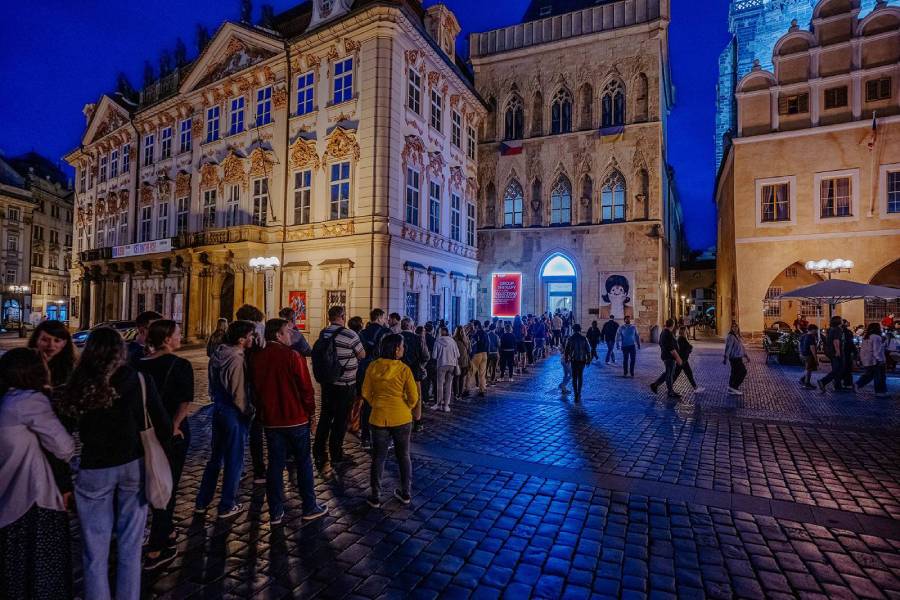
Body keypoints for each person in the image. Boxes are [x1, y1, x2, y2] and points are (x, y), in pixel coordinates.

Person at [58, 327, 171, 600]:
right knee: (130, 548)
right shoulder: (138, 379)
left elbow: (60, 438)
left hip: (93, 468)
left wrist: (64, 480)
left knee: (94, 552)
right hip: (133, 466)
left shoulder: (78, 383)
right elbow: (164, 427)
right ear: (121, 351)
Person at [0, 348, 76, 600]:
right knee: (41, 573)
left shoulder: (6, 399)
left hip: (7, 499)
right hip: (32, 499)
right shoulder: (29, 402)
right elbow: (65, 447)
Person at [251, 319, 328, 524]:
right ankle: (309, 506)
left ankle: (275, 511)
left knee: (275, 464)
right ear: (277, 335)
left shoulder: (256, 357)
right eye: (287, 332)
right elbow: (306, 390)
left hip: (271, 420)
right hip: (295, 419)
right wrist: (311, 415)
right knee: (303, 462)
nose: (291, 335)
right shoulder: (293, 356)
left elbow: (255, 389)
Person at [137, 320, 194, 570]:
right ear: (167, 339)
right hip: (172, 431)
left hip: (143, 431)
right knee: (167, 486)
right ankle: (156, 548)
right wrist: (174, 425)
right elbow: (184, 401)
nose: (180, 337)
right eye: (177, 334)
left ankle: (168, 529)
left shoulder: (138, 365)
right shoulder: (180, 364)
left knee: (151, 478)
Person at [196, 320, 256, 519]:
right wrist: (248, 410)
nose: (253, 339)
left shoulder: (218, 353)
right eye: (250, 336)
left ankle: (202, 502)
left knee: (215, 458)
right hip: (233, 412)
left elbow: (213, 385)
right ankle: (227, 504)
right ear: (241, 340)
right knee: (234, 460)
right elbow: (238, 392)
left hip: (218, 408)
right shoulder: (237, 359)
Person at [362, 334, 419, 508]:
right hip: (401, 417)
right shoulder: (404, 369)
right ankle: (406, 492)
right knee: (403, 456)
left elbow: (365, 392)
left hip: (379, 417)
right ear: (396, 349)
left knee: (378, 458)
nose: (403, 349)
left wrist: (377, 403)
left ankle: (375, 495)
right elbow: (413, 396)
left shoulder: (373, 366)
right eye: (402, 346)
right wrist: (405, 406)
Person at [313, 305, 365, 469]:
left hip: (328, 383)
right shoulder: (350, 334)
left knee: (325, 417)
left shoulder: (324, 333)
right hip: (345, 384)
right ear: (342, 316)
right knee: (341, 420)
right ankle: (336, 454)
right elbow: (362, 354)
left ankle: (319, 451)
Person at [235, 304, 267, 482]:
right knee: (256, 431)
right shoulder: (257, 336)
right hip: (252, 388)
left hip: (238, 390)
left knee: (239, 433)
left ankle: (238, 468)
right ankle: (259, 470)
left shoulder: (231, 336)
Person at [358, 309, 389, 450]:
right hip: (379, 370)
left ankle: (365, 437)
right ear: (379, 318)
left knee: (367, 404)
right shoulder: (384, 332)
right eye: (383, 317)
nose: (385, 320)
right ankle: (380, 437)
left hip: (364, 369)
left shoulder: (362, 333)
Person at [400, 319, 429, 432]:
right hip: (415, 372)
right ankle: (417, 421)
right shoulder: (418, 338)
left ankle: (403, 418)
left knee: (401, 395)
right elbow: (426, 356)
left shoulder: (396, 337)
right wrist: (421, 365)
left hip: (399, 372)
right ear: (412, 327)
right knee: (417, 397)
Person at [28, 319, 77, 387]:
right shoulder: (23, 365)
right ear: (36, 340)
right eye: (45, 340)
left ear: (64, 343)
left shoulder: (71, 368)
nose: (51, 345)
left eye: (57, 340)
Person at [651, 319, 682, 398]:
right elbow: (671, 348)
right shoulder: (667, 333)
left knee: (667, 373)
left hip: (667, 356)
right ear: (673, 325)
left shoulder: (665, 332)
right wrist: (678, 357)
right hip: (669, 357)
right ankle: (670, 392)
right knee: (669, 375)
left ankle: (655, 385)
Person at [431, 326, 460, 412]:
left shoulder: (438, 341)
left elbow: (434, 356)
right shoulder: (452, 341)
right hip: (451, 365)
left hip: (441, 364)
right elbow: (458, 355)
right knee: (448, 385)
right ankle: (446, 405)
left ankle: (439, 404)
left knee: (440, 385)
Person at [856, 322, 887, 397]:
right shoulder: (876, 337)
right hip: (875, 360)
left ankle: (858, 384)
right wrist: (880, 359)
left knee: (869, 375)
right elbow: (877, 350)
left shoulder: (866, 337)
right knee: (879, 375)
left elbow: (863, 349)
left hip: (867, 359)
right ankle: (880, 391)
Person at [563, 324, 592, 401]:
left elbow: (566, 350)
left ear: (573, 330)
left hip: (574, 360)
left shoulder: (570, 338)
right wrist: (589, 359)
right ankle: (579, 392)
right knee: (580, 376)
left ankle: (576, 393)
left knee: (574, 377)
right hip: (582, 360)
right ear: (579, 329)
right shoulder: (584, 338)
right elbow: (588, 350)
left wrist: (566, 359)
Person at [818, 316, 845, 393]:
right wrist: (838, 351)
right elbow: (836, 341)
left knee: (836, 368)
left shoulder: (831, 329)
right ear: (838, 321)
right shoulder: (837, 329)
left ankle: (837, 385)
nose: (842, 320)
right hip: (836, 352)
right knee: (838, 369)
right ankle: (823, 381)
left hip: (831, 352)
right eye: (841, 319)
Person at [673, 326, 704, 393]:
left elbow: (687, 348)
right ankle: (667, 386)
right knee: (677, 374)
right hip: (682, 360)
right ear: (684, 331)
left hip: (683, 359)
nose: (687, 332)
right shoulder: (681, 339)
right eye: (686, 330)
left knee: (687, 373)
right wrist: (689, 348)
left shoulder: (682, 338)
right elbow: (685, 349)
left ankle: (696, 388)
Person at [723, 321, 749, 395]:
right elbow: (728, 348)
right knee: (743, 372)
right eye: (733, 327)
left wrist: (746, 356)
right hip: (734, 358)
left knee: (734, 372)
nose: (735, 328)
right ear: (731, 328)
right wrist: (725, 358)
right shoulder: (731, 336)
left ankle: (731, 387)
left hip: (737, 357)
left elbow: (741, 347)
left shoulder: (736, 336)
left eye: (736, 326)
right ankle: (734, 387)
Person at [469, 321, 489, 397]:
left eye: (473, 326)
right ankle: (482, 390)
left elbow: (472, 344)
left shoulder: (476, 334)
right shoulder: (485, 333)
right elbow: (488, 344)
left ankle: (467, 389)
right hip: (485, 354)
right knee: (482, 373)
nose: (473, 327)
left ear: (476, 326)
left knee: (471, 372)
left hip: (477, 354)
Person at [798, 324, 819, 389]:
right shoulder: (811, 337)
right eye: (815, 330)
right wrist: (816, 358)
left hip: (803, 354)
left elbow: (799, 344)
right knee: (809, 369)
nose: (816, 331)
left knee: (808, 368)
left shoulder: (803, 336)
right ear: (812, 330)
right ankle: (807, 383)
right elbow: (812, 348)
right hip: (809, 355)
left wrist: (800, 353)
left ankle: (803, 379)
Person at [453, 326, 472, 396]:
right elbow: (470, 350)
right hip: (464, 361)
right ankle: (460, 393)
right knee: (462, 379)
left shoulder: (453, 340)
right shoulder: (466, 339)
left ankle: (455, 394)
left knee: (455, 379)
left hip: (456, 362)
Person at [840, 319, 857, 390]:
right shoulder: (847, 332)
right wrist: (854, 350)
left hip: (841, 352)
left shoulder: (838, 331)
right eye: (846, 322)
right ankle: (847, 383)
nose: (848, 323)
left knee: (843, 368)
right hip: (846, 351)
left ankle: (842, 381)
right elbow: (850, 343)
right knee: (847, 368)